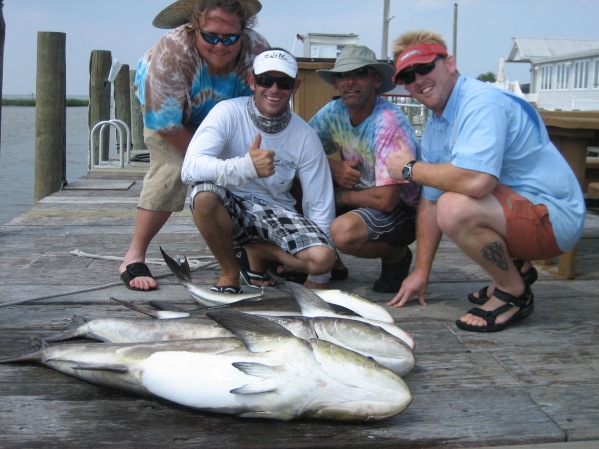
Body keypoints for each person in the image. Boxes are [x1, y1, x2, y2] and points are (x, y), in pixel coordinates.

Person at [386, 30, 586, 332]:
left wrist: (409, 168)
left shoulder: (482, 103)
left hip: (556, 219)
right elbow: (428, 200)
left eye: (425, 67)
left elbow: (477, 182)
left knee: (455, 207)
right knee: (443, 201)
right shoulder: (437, 122)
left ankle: (514, 293)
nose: (418, 80)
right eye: (408, 76)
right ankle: (515, 269)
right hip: (524, 210)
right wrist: (421, 272)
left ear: (449, 63)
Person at [119, 0, 269, 291]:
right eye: (211, 36)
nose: (220, 45)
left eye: (230, 38)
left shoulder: (257, 51)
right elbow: (166, 125)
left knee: (247, 170)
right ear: (194, 27)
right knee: (174, 169)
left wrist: (240, 163)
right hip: (170, 115)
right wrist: (207, 160)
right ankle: (133, 255)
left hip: (226, 114)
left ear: (244, 32)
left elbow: (264, 102)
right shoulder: (169, 55)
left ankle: (246, 247)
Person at [180, 48, 337, 292]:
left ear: (295, 87)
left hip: (275, 213)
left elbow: (319, 205)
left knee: (323, 258)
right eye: (265, 80)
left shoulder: (306, 135)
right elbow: (189, 169)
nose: (274, 89)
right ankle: (229, 273)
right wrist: (245, 167)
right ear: (252, 82)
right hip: (229, 206)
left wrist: (321, 278)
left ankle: (260, 252)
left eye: (283, 82)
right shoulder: (227, 112)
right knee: (204, 195)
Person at [309, 45, 421, 293]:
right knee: (293, 183)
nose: (349, 82)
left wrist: (339, 196)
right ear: (336, 83)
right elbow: (298, 151)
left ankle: (396, 255)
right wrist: (334, 166)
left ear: (375, 80)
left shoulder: (387, 123)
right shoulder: (332, 112)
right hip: (361, 195)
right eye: (342, 75)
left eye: (359, 74)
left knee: (343, 233)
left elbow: (387, 200)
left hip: (402, 209)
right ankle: (330, 262)